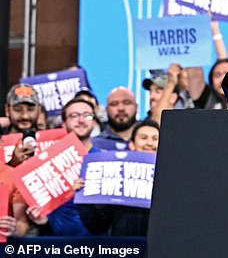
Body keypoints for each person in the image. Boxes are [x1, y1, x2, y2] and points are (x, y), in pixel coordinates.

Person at [25, 98, 99, 236]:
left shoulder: (103, 161)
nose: (81, 120)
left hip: (99, 247)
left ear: (94, 122)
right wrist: (41, 219)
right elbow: (44, 209)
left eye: (87, 115)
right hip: (55, 245)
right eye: (74, 116)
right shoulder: (45, 162)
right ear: (64, 124)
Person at [77, 120, 159, 236]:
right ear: (131, 144)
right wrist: (83, 198)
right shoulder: (115, 174)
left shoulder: (172, 177)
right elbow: (98, 226)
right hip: (124, 249)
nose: (150, 143)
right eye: (144, 138)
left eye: (155, 139)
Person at [4, 83, 40, 167]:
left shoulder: (52, 141)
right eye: (17, 110)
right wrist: (12, 164)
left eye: (31, 109)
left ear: (39, 109)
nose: (25, 116)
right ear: (7, 110)